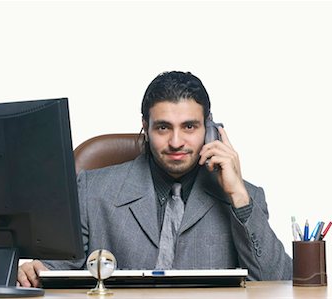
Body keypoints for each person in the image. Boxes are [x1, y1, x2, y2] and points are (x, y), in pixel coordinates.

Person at [17, 71, 292, 287]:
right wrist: (36, 270)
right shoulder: (92, 190)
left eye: (189, 127)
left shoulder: (245, 198)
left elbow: (279, 284)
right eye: (163, 127)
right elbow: (54, 271)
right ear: (145, 128)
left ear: (209, 128)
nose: (176, 142)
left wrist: (238, 197)